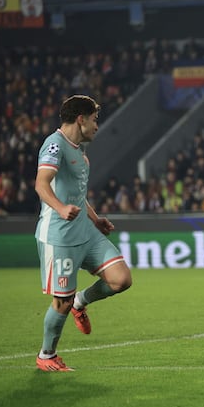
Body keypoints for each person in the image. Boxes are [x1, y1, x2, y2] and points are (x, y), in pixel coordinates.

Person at [34, 95, 133, 371]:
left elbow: (78, 194)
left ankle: (82, 301)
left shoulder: (78, 150)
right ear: (81, 119)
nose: (97, 126)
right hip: (60, 235)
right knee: (60, 302)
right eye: (94, 119)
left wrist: (95, 218)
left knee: (121, 279)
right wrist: (60, 208)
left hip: (85, 232)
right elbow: (41, 185)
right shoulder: (54, 145)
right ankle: (46, 355)